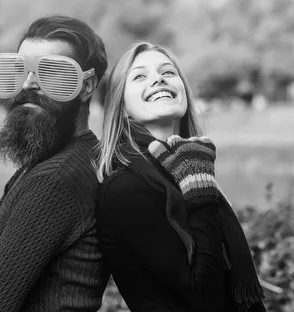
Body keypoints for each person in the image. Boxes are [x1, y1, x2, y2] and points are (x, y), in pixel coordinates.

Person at [0, 15, 109, 312]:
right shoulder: (54, 161)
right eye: (20, 70)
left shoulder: (56, 180)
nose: (29, 83)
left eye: (52, 71)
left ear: (87, 86)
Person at [95, 42, 267, 312]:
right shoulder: (127, 186)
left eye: (168, 72)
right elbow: (203, 298)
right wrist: (199, 190)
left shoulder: (183, 165)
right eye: (140, 76)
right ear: (122, 105)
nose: (158, 78)